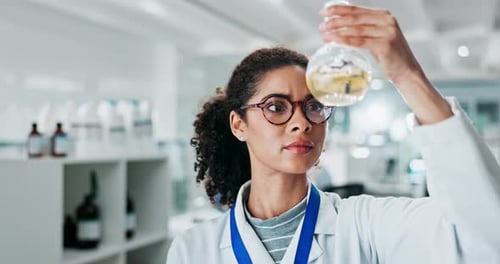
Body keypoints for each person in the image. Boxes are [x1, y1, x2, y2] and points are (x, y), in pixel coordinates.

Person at [167, 4, 500, 264]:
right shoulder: (194, 249)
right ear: (239, 124)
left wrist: (406, 74)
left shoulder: (367, 225)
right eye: (276, 107)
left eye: (314, 106)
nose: (301, 122)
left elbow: (485, 238)